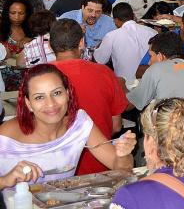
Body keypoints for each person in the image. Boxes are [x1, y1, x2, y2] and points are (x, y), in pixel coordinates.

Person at [0, 64, 136, 182]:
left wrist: (122, 155)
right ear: (28, 104)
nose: (51, 104)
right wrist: (5, 181)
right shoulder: (5, 136)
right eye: (39, 97)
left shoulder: (79, 123)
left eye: (57, 93)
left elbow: (122, 168)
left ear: (68, 94)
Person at [49, 19, 130, 175]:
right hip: (102, 166)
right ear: (81, 43)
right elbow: (116, 126)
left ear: (50, 45)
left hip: (53, 171)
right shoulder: (105, 73)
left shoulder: (38, 77)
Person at [94, 3, 157, 83]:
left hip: (124, 86)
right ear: (133, 16)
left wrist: (98, 46)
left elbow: (99, 60)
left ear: (115, 20)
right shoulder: (152, 32)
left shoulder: (111, 36)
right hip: (150, 84)